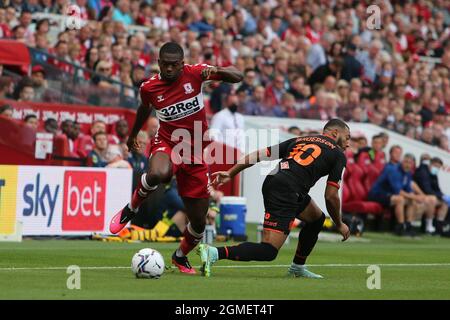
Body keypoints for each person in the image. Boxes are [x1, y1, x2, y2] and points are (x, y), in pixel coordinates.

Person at [109, 42, 243, 274]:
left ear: (182, 64)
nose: (170, 69)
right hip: (168, 141)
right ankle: (131, 208)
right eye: (165, 64)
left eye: (174, 65)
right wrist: (132, 135)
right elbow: (144, 108)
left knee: (199, 222)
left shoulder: (195, 73)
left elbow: (238, 76)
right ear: (159, 63)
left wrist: (216, 71)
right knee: (159, 174)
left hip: (195, 152)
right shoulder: (149, 87)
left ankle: (180, 257)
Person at [198, 119, 351, 278]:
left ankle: (297, 268)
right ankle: (214, 252)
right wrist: (339, 224)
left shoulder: (300, 140)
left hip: (276, 181)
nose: (348, 144)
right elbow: (331, 196)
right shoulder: (338, 155)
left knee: (317, 219)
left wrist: (231, 172)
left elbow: (258, 155)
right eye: (347, 137)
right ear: (334, 133)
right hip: (287, 190)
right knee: (269, 251)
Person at [368, 154, 419, 236]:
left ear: (413, 164)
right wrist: (416, 197)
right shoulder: (393, 170)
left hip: (390, 195)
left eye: (410, 163)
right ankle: (400, 227)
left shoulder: (408, 173)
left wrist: (415, 197)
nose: (407, 164)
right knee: (400, 199)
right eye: (406, 162)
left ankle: (409, 226)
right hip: (377, 194)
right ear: (402, 162)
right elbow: (398, 191)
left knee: (411, 201)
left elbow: (408, 190)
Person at [414, 156, 449, 235]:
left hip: (428, 196)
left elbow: (437, 189)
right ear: (430, 164)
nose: (436, 169)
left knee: (445, 202)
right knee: (432, 199)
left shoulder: (434, 175)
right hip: (419, 196)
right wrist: (441, 196)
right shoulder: (423, 172)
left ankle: (439, 226)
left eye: (438, 167)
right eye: (436, 166)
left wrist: (443, 196)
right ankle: (428, 226)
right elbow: (427, 190)